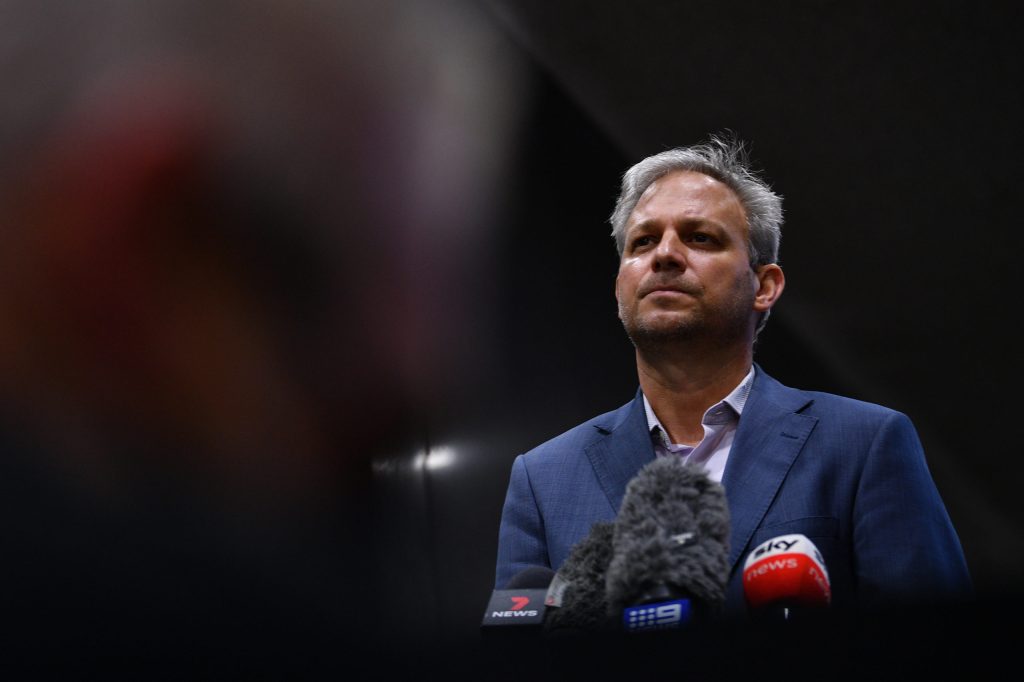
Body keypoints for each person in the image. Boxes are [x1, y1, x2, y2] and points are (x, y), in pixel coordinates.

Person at [494, 135, 972, 616]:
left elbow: (938, 651)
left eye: (700, 237)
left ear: (764, 286)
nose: (664, 254)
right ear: (620, 285)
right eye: (643, 242)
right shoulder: (543, 479)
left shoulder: (864, 444)